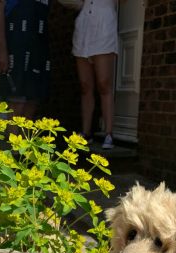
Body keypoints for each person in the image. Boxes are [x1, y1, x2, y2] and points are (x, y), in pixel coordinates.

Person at [0, 0, 51, 119]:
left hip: (38, 44)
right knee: (17, 104)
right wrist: (2, 49)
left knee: (32, 101)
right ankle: (14, 138)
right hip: (16, 44)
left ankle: (24, 138)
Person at [72, 0, 119, 149]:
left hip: (103, 26)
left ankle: (109, 133)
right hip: (84, 27)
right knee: (85, 86)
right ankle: (86, 133)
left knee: (104, 83)